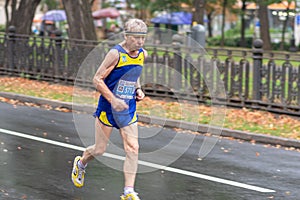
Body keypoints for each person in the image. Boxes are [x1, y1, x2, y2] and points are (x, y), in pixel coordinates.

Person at [71, 18, 148, 200]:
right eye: (136, 38)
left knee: (133, 148)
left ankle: (128, 191)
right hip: (108, 108)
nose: (140, 42)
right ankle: (81, 163)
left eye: (143, 38)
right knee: (99, 150)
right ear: (126, 36)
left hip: (128, 109)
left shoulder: (142, 54)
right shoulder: (116, 54)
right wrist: (113, 100)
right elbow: (97, 79)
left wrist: (138, 89)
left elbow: (133, 74)